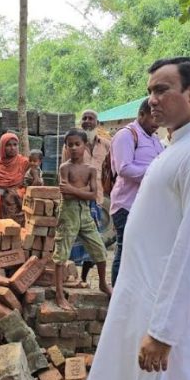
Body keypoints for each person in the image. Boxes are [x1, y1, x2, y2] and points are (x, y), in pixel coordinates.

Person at [84, 57, 190, 380]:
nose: (152, 99)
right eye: (150, 91)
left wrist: (164, 331)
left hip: (163, 319)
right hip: (141, 304)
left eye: (161, 90)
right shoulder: (179, 145)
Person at [53, 128, 113, 310]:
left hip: (85, 213)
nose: (73, 148)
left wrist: (75, 190)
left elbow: (94, 194)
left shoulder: (90, 170)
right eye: (70, 144)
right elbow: (66, 194)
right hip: (68, 213)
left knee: (99, 249)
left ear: (85, 146)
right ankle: (59, 293)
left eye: (77, 144)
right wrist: (82, 192)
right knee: (61, 253)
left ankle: (103, 283)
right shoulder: (65, 168)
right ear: (66, 147)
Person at [108, 98, 164, 286]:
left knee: (142, 253)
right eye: (153, 118)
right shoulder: (127, 135)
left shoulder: (155, 139)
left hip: (148, 206)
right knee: (125, 250)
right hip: (127, 205)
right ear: (141, 114)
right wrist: (153, 172)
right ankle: (116, 296)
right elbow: (124, 168)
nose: (157, 124)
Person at [60, 110, 111, 283]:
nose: (87, 121)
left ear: (97, 122)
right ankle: (71, 277)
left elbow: (109, 170)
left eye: (91, 119)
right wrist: (76, 191)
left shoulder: (105, 145)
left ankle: (84, 278)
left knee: (93, 242)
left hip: (96, 199)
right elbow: (64, 177)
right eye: (84, 118)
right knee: (71, 242)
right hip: (73, 204)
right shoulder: (70, 145)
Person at [0, 132, 30, 219]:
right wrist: (4, 192)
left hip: (22, 207)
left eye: (15, 145)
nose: (12, 148)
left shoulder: (24, 163)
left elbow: (32, 184)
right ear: (2, 147)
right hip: (2, 209)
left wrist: (17, 193)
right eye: (8, 145)